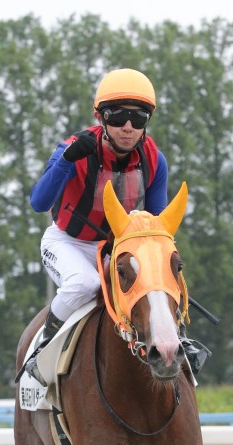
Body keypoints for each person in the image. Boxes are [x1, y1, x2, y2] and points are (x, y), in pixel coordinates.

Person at [25, 68, 208, 383]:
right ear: (100, 117)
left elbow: (156, 228)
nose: (128, 127)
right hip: (67, 241)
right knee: (85, 284)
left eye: (138, 119)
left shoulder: (154, 160)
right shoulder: (72, 149)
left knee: (158, 278)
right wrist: (67, 160)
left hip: (114, 247)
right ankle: (42, 348)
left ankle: (175, 340)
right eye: (118, 116)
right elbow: (39, 203)